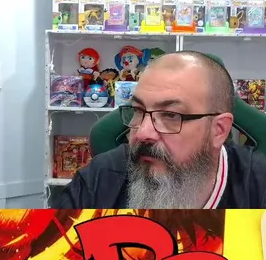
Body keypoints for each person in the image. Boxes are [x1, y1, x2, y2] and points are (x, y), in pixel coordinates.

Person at [51, 51, 266, 209]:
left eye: (171, 115)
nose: (143, 133)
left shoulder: (259, 187)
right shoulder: (98, 179)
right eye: (138, 110)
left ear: (218, 130)